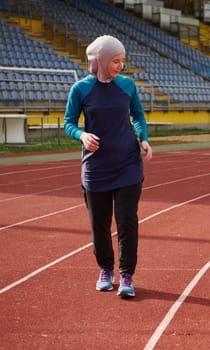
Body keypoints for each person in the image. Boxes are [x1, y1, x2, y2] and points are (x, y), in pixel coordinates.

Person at [64, 35, 152, 298]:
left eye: (122, 60)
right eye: (115, 61)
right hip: (95, 168)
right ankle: (105, 269)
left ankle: (126, 274)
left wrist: (144, 139)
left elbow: (137, 115)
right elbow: (68, 122)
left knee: (127, 223)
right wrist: (81, 135)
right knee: (99, 225)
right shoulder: (80, 89)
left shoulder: (127, 85)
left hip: (128, 164)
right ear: (100, 62)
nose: (121, 66)